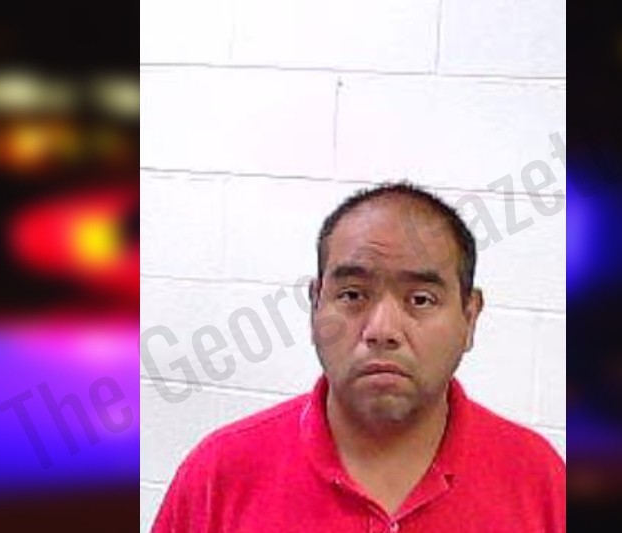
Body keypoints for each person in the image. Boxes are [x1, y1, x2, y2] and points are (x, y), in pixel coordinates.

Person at [152, 182, 565, 532]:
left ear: (469, 317)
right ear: (315, 305)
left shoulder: (541, 483)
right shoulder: (220, 476)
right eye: (352, 295)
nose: (382, 330)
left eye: (421, 299)